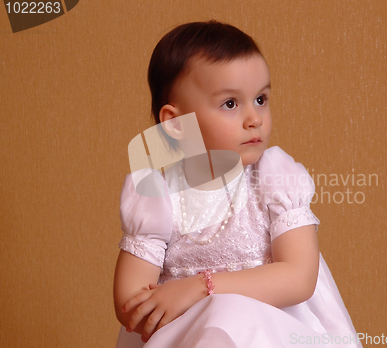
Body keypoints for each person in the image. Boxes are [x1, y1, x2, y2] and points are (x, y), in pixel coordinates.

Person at [113, 20, 362, 348]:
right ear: (176, 125)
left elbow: (299, 277)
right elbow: (131, 303)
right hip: (190, 337)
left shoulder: (273, 180)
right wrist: (177, 305)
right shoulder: (159, 198)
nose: (254, 118)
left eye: (261, 99)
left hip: (274, 332)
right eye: (230, 103)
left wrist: (200, 287)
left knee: (232, 314)